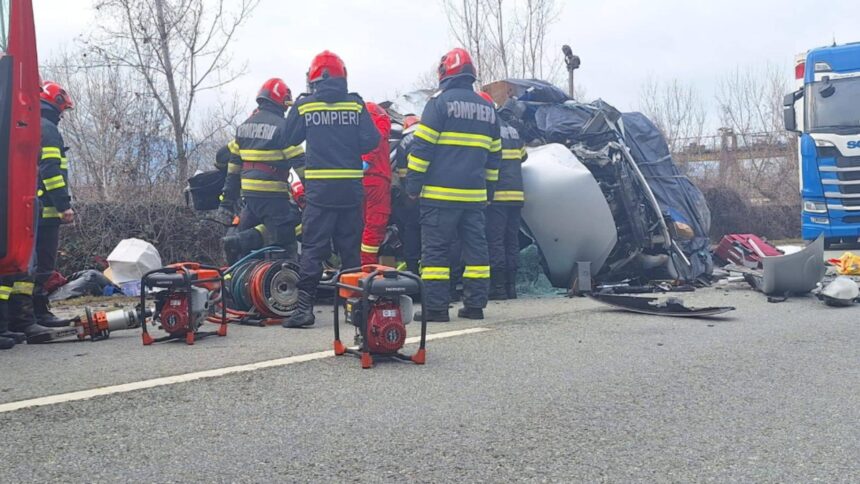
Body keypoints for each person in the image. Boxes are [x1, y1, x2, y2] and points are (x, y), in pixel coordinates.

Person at [282, 50, 380, 328]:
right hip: (350, 192)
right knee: (350, 251)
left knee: (313, 249)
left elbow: (287, 137)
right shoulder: (355, 105)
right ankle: (356, 308)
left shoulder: (305, 106)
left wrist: (297, 107)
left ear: (314, 79)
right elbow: (372, 141)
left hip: (320, 194)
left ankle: (304, 310)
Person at [406, 48, 502, 322]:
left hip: (439, 198)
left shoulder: (439, 104)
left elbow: (422, 149)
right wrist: (489, 192)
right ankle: (474, 307)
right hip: (473, 199)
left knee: (436, 253)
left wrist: (413, 186)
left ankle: (436, 309)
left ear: (445, 72)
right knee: (476, 252)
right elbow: (495, 157)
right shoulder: (487, 108)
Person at [219, 78, 305, 263]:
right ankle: (289, 282)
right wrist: (316, 193)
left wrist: (227, 201)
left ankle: (236, 277)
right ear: (283, 101)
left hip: (249, 197)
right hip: (273, 196)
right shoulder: (283, 127)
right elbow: (302, 166)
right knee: (286, 237)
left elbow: (233, 169)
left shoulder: (243, 127)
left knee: (247, 245)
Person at [33, 81, 75, 326]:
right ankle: (39, 313)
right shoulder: (48, 130)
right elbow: (50, 171)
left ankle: (25, 315)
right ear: (56, 104)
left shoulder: (32, 126)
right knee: (43, 265)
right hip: (45, 213)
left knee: (32, 265)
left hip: (34, 211)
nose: (62, 114)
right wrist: (63, 205)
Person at [478, 92, 527, 300]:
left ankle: (497, 288)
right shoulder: (513, 129)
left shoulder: (489, 128)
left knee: (495, 240)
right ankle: (511, 287)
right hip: (517, 194)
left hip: (498, 194)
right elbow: (523, 156)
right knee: (511, 239)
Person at [360, 102, 392, 266]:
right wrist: (367, 161)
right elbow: (376, 142)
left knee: (364, 224)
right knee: (375, 224)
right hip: (377, 180)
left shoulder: (357, 123)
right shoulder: (380, 121)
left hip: (359, 181)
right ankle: (367, 266)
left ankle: (359, 264)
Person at [392, 115, 422, 275]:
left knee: (411, 229)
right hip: (435, 195)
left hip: (413, 195)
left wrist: (410, 192)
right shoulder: (430, 134)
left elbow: (402, 174)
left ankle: (412, 270)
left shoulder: (403, 142)